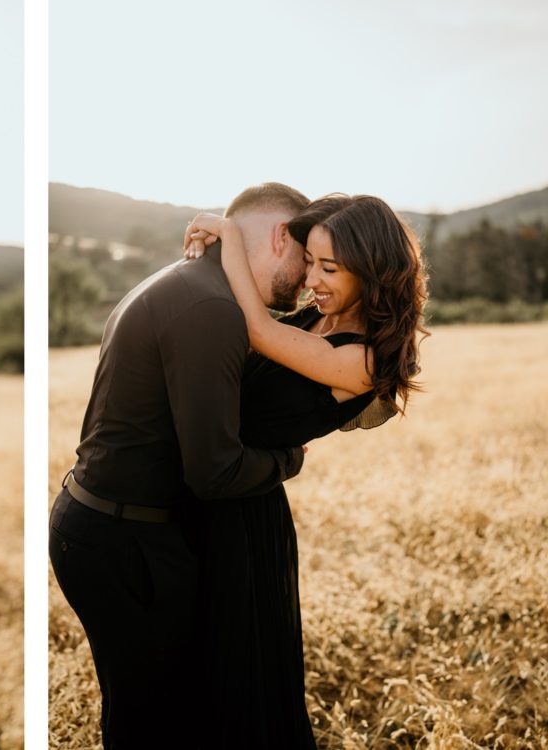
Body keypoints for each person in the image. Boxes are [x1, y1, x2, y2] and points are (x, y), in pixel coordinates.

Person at [49, 182, 311, 749]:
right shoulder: (211, 308)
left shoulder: (191, 283)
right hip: (125, 541)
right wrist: (287, 459)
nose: (309, 276)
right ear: (279, 237)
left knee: (155, 709)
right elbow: (213, 472)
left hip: (109, 526)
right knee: (153, 721)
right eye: (307, 256)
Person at [181, 193, 427, 747]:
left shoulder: (365, 359)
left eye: (330, 268)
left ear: (374, 270)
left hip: (245, 520)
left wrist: (232, 238)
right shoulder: (320, 316)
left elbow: (259, 332)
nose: (311, 278)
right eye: (310, 261)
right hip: (220, 486)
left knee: (244, 678)